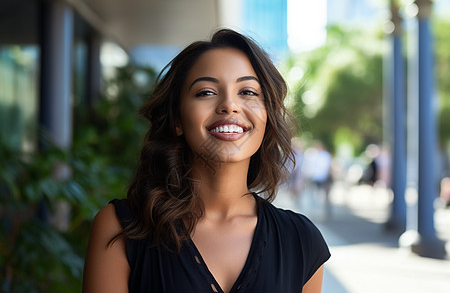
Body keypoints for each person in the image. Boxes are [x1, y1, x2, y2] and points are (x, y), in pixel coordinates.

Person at [82, 29, 330, 293]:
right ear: (177, 119)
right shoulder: (122, 227)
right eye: (206, 92)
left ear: (266, 117)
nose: (229, 105)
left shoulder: (302, 241)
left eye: (247, 91)